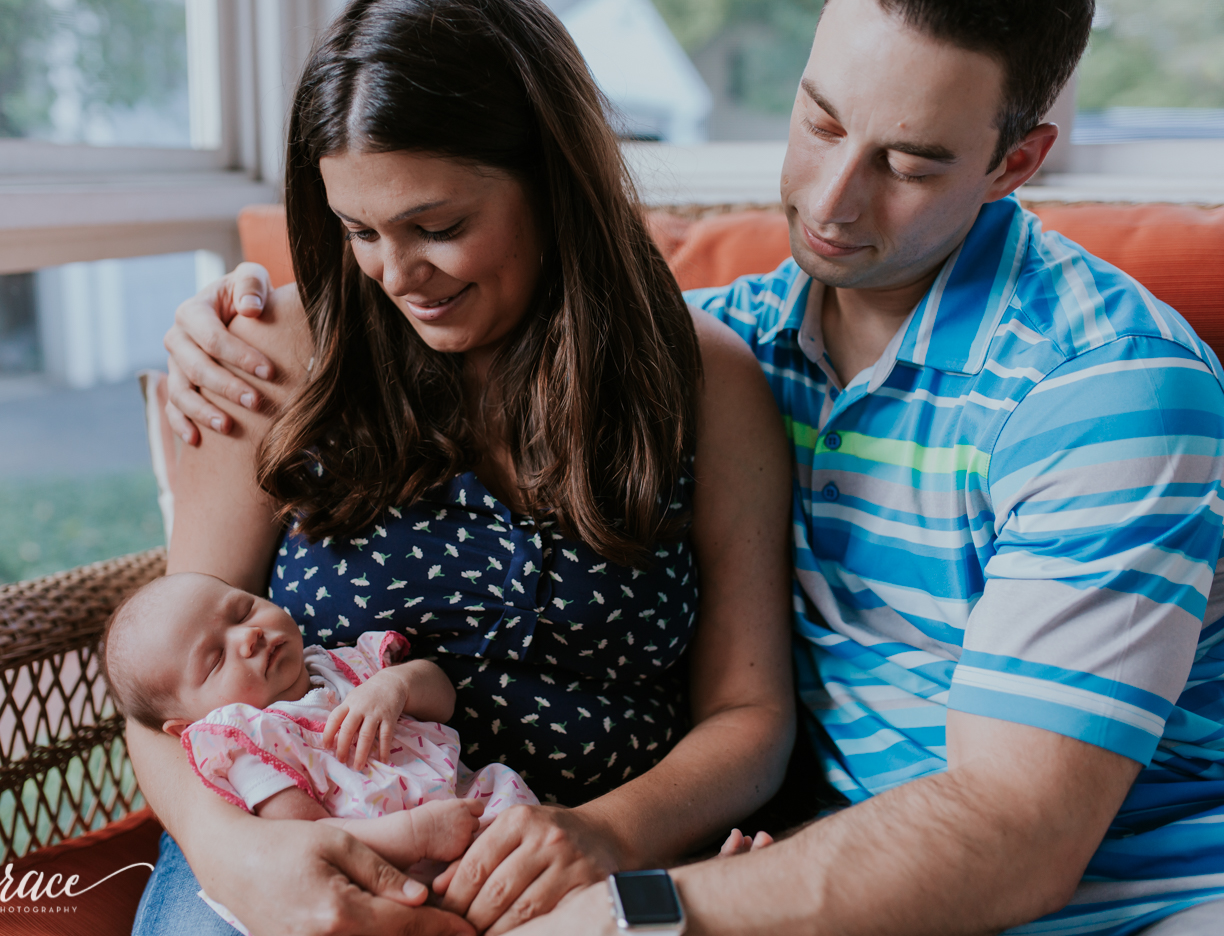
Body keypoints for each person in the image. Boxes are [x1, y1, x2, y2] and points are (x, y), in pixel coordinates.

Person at [170, 0, 1224, 932]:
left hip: (1121, 897)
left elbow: (1015, 837)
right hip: (812, 872)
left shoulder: (1105, 388)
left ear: (1015, 163)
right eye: (817, 120)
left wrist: (624, 900)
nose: (833, 203)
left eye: (908, 163)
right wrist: (221, 329)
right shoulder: (740, 341)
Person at [127, 0, 798, 934]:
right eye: (359, 231)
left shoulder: (703, 381)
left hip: (575, 878)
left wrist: (604, 833)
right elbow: (161, 688)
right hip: (291, 848)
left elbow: (751, 717)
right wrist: (237, 853)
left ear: (553, 183)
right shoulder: (269, 353)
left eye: (436, 226)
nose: (396, 275)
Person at [101, 573, 536, 933]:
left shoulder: (342, 666)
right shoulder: (253, 744)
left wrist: (396, 686)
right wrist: (414, 835)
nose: (248, 637)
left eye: (243, 610)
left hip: (477, 813)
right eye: (215, 659)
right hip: (385, 874)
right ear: (189, 728)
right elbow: (307, 835)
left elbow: (443, 700)